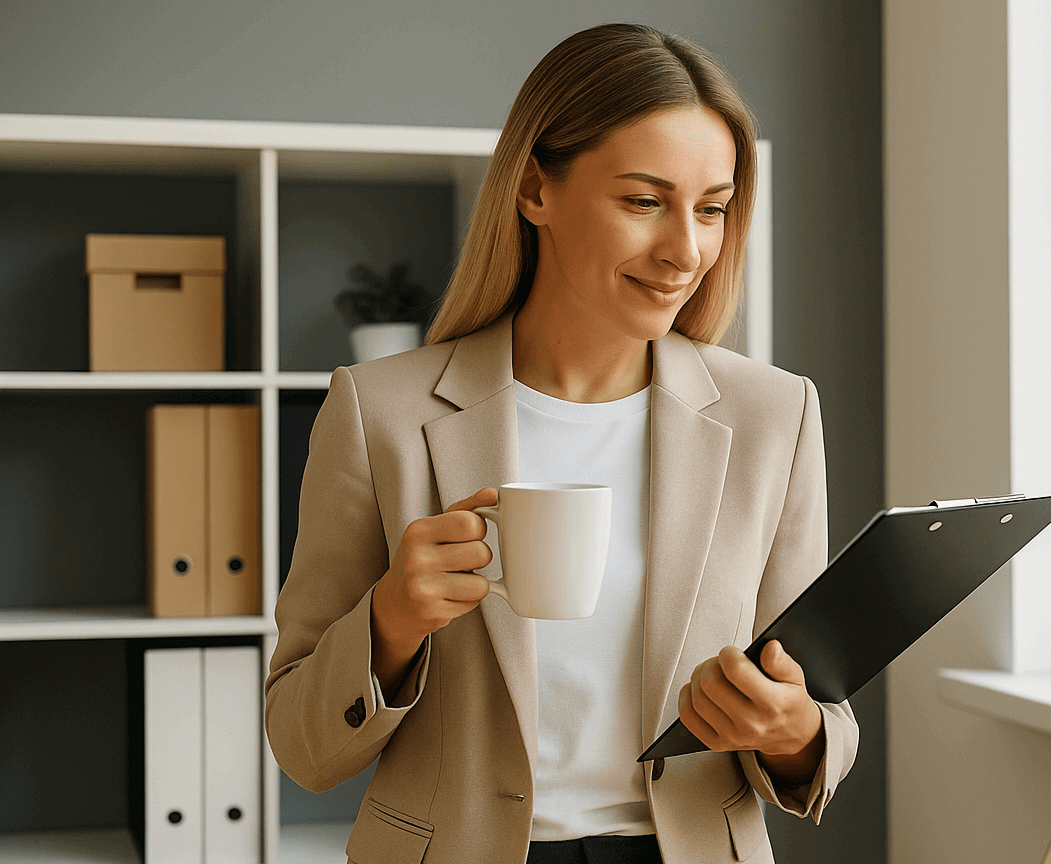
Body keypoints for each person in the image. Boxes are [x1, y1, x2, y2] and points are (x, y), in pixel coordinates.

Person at [263, 22, 858, 864]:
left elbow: (817, 714)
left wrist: (793, 730)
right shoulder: (381, 413)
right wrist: (393, 618)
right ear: (536, 190)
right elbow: (300, 744)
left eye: (713, 209)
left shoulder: (775, 415)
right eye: (644, 201)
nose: (686, 250)